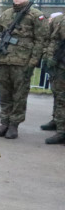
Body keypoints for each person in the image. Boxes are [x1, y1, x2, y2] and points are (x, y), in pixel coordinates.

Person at [0, 0, 47, 139]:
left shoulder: (36, 15)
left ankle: (14, 125)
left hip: (23, 62)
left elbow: (41, 40)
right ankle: (4, 122)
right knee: (4, 94)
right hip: (4, 60)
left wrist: (33, 62)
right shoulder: (6, 14)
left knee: (19, 95)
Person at [41, 12, 65, 144]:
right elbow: (50, 40)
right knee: (60, 97)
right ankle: (60, 130)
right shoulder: (59, 20)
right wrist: (48, 56)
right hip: (60, 66)